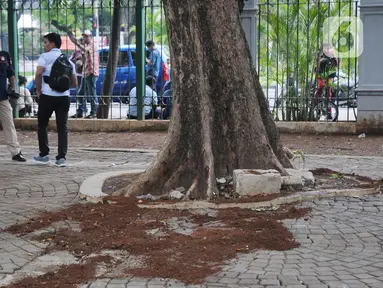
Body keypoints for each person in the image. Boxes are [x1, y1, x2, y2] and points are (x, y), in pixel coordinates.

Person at [33, 32, 77, 167]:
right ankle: (61, 157)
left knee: (42, 124)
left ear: (52, 44)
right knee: (62, 127)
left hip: (47, 96)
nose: (44, 44)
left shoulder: (45, 57)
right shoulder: (68, 60)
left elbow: (39, 73)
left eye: (46, 42)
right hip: (64, 97)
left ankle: (44, 154)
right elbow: (75, 83)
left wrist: (39, 90)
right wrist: (61, 86)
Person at [0, 51, 26, 162]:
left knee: (9, 124)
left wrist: (13, 89)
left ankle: (15, 152)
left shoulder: (4, 55)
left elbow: (11, 74)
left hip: (3, 97)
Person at [68, 30, 99, 119]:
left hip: (92, 72)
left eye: (86, 36)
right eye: (84, 36)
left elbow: (86, 50)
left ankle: (94, 113)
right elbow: (82, 57)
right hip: (86, 73)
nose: (85, 38)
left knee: (92, 93)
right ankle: (80, 111)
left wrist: (76, 43)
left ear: (90, 37)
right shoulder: (86, 45)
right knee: (81, 93)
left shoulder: (92, 45)